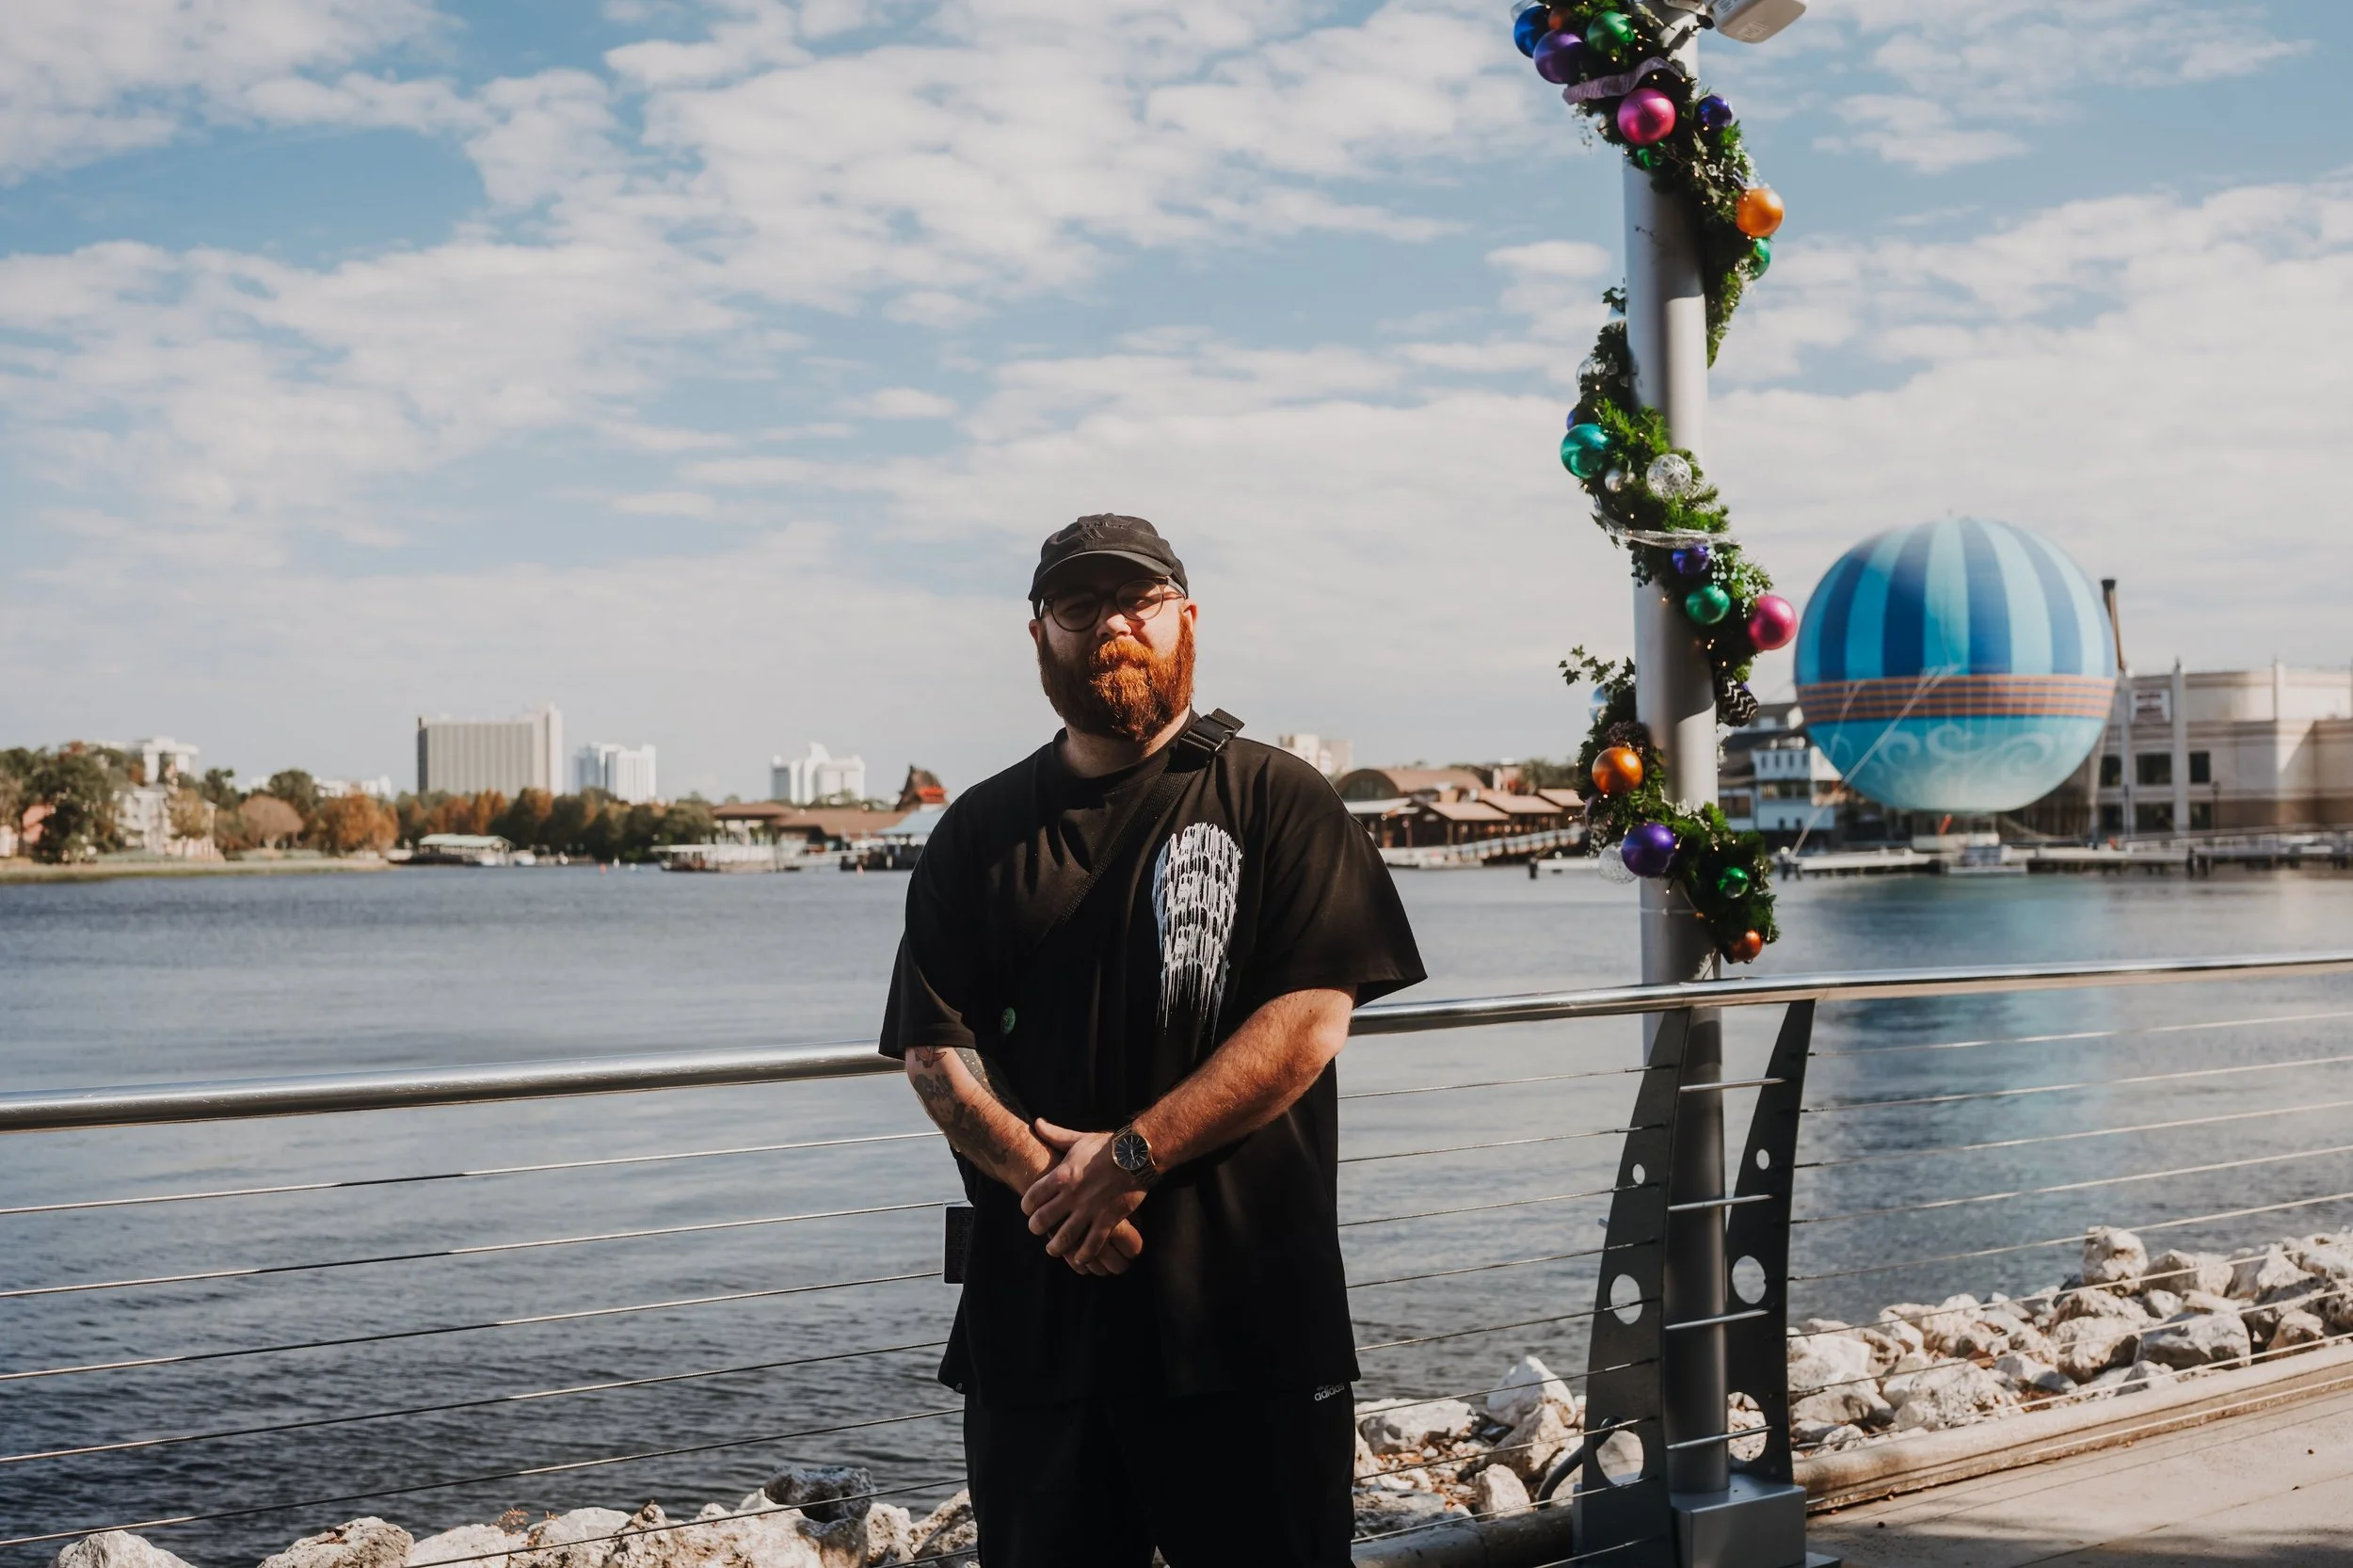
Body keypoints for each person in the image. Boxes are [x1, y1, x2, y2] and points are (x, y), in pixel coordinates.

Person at [879, 514, 1426, 1568]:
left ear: (1187, 620)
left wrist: (1126, 1158)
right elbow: (934, 1057)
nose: (1111, 626)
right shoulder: (978, 833)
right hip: (1038, 1334)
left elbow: (1309, 1021)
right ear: (1038, 637)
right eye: (1078, 608)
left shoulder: (1279, 799)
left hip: (1247, 1322)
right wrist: (1061, 1186)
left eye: (1137, 601)